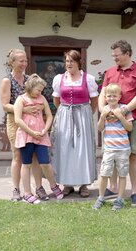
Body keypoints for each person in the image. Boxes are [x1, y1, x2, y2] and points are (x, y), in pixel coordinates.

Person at [98, 40, 136, 207]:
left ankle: (134, 191)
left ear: (127, 53)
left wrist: (123, 111)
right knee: (112, 154)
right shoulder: (110, 71)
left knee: (133, 154)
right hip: (111, 120)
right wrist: (104, 111)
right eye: (113, 55)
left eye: (117, 55)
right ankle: (113, 188)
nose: (114, 58)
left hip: (131, 118)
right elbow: (103, 93)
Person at [50, 49, 98, 198]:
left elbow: (94, 101)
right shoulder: (59, 79)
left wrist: (86, 115)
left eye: (72, 61)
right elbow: (56, 100)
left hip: (83, 116)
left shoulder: (88, 78)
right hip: (64, 115)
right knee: (65, 149)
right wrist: (65, 113)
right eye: (67, 61)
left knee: (82, 150)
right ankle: (67, 183)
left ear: (78, 62)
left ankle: (84, 184)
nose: (69, 64)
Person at [0, 49, 46, 201]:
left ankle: (39, 188)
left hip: (33, 122)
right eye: (21, 61)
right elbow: (5, 105)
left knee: (34, 156)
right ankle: (16, 189)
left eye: (25, 61)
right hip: (15, 122)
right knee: (18, 156)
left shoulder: (29, 80)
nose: (24, 64)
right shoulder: (7, 81)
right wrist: (23, 109)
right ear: (11, 62)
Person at [14, 74, 64, 204]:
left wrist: (45, 130)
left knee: (45, 163)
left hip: (41, 136)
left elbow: (49, 115)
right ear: (30, 87)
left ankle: (53, 186)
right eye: (38, 90)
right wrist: (32, 133)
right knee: (26, 164)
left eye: (41, 91)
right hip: (26, 136)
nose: (40, 93)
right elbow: (17, 119)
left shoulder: (42, 99)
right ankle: (27, 193)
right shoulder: (21, 99)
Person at [93, 83, 133, 211]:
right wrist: (103, 115)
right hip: (109, 148)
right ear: (105, 97)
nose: (111, 98)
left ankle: (119, 199)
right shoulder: (104, 109)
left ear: (119, 97)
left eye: (114, 96)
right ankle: (101, 197)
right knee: (104, 174)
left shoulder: (124, 109)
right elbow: (100, 128)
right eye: (109, 96)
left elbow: (129, 127)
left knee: (122, 174)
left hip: (123, 148)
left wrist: (120, 116)